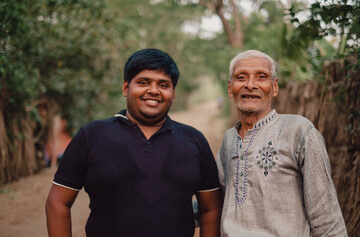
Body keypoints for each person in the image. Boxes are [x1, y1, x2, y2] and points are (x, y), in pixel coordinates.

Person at [45, 48, 222, 237]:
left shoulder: (194, 140)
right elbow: (57, 203)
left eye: (163, 84)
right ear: (125, 88)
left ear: (173, 93)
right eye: (143, 82)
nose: (153, 90)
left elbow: (210, 209)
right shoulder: (91, 135)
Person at [216, 50, 347, 236]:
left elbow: (326, 217)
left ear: (274, 87)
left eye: (261, 77)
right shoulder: (229, 140)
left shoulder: (299, 131)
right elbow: (215, 199)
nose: (250, 85)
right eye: (241, 77)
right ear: (230, 88)